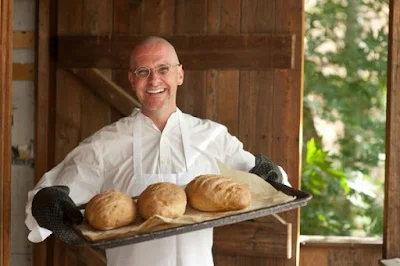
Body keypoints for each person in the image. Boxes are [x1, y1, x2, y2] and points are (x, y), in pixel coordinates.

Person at [25, 36, 290, 266]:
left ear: (180, 75)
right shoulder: (105, 145)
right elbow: (44, 198)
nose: (154, 80)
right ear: (132, 79)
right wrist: (45, 204)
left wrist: (271, 173)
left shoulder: (212, 136)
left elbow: (272, 188)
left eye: (163, 68)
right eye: (143, 71)